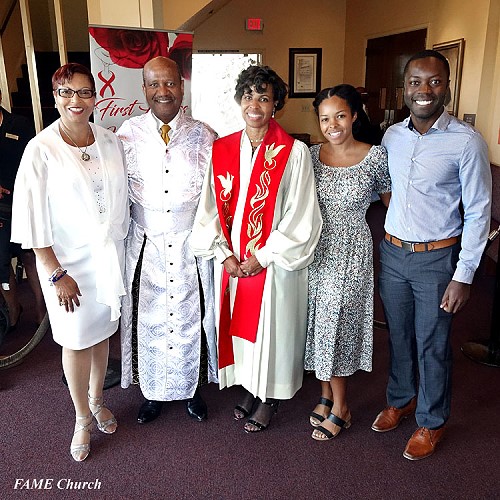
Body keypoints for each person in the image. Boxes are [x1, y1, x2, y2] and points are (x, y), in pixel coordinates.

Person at [371, 50, 491, 460]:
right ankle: (401, 400)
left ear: (447, 87)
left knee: (432, 342)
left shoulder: (467, 141)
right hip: (392, 253)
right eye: (416, 81)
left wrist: (464, 275)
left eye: (434, 82)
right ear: (405, 87)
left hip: (437, 261)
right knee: (399, 335)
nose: (425, 90)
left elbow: (478, 212)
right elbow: (386, 189)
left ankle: (431, 421)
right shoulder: (392, 136)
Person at [191, 65, 322, 433]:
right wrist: (225, 255)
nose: (255, 104)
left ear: (275, 105)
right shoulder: (222, 149)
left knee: (272, 330)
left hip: (275, 265)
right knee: (241, 329)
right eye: (248, 96)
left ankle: (270, 398)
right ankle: (250, 387)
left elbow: (301, 215)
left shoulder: (294, 152)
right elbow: (210, 208)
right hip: (234, 264)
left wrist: (260, 257)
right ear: (238, 100)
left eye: (264, 97)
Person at [11, 63, 129, 461]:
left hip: (105, 259)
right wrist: (57, 273)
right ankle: (81, 418)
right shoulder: (40, 149)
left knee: (100, 334)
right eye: (67, 92)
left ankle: (97, 401)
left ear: (95, 97)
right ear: (55, 97)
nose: (76, 101)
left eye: (84, 92)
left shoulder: (109, 140)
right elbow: (30, 218)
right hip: (66, 265)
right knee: (76, 341)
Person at [117, 56, 218, 425]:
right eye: (154, 84)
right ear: (143, 88)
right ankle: (152, 392)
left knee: (194, 314)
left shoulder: (204, 135)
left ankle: (192, 389)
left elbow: (217, 195)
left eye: (171, 83)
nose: (163, 92)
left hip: (191, 241)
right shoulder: (126, 135)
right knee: (149, 316)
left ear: (182, 86)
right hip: (145, 242)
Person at [305, 85, 391, 441]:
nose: (333, 125)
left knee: (337, 325)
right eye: (325, 119)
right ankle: (325, 395)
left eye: (340, 115)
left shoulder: (376, 156)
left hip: (352, 250)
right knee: (317, 321)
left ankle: (342, 406)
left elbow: (393, 206)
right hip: (315, 248)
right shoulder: (309, 155)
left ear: (354, 115)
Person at [0, 90, 45, 328]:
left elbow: (34, 162)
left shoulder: (19, 124)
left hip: (23, 200)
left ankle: (40, 307)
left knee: (30, 255)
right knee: (2, 260)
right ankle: (13, 308)